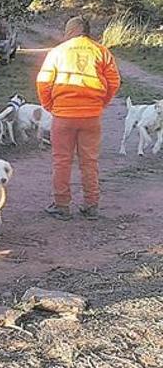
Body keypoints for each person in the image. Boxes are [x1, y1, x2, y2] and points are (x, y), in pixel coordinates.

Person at [36, 16, 120, 221]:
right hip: (91, 116)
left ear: (70, 30)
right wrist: (101, 103)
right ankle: (91, 205)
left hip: (63, 115)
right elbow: (114, 82)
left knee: (61, 161)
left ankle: (62, 205)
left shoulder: (58, 52)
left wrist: (50, 106)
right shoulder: (101, 51)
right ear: (87, 31)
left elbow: (43, 82)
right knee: (89, 161)